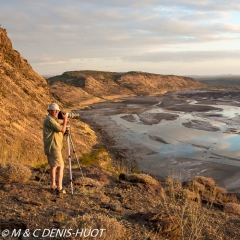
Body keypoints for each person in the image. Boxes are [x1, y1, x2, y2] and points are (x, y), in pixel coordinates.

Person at [43, 103, 68, 194]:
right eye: (55, 111)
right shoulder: (50, 120)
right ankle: (59, 188)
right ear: (49, 111)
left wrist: (63, 122)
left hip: (51, 146)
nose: (57, 112)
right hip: (54, 147)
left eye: (57, 111)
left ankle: (53, 185)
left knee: (53, 166)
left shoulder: (51, 119)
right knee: (61, 166)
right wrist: (65, 120)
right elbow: (62, 130)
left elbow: (58, 128)